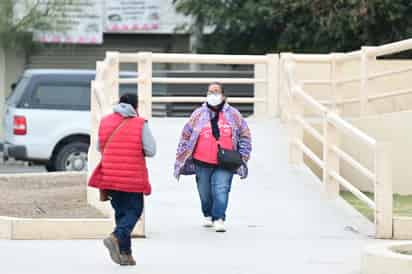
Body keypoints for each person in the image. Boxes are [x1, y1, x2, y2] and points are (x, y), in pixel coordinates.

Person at [174, 82, 252, 232]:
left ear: (223, 95)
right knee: (204, 192)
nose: (213, 95)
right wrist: (181, 155)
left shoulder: (234, 114)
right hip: (202, 161)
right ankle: (208, 214)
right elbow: (186, 135)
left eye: (216, 91)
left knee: (221, 189)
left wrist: (243, 155)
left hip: (226, 161)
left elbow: (245, 135)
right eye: (210, 92)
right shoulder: (198, 114)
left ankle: (219, 218)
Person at [88, 93, 156, 266]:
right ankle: (116, 237)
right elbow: (151, 150)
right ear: (135, 107)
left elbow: (99, 146)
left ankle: (126, 255)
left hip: (110, 176)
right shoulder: (140, 123)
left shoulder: (105, 121)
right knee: (134, 211)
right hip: (132, 177)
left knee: (121, 213)